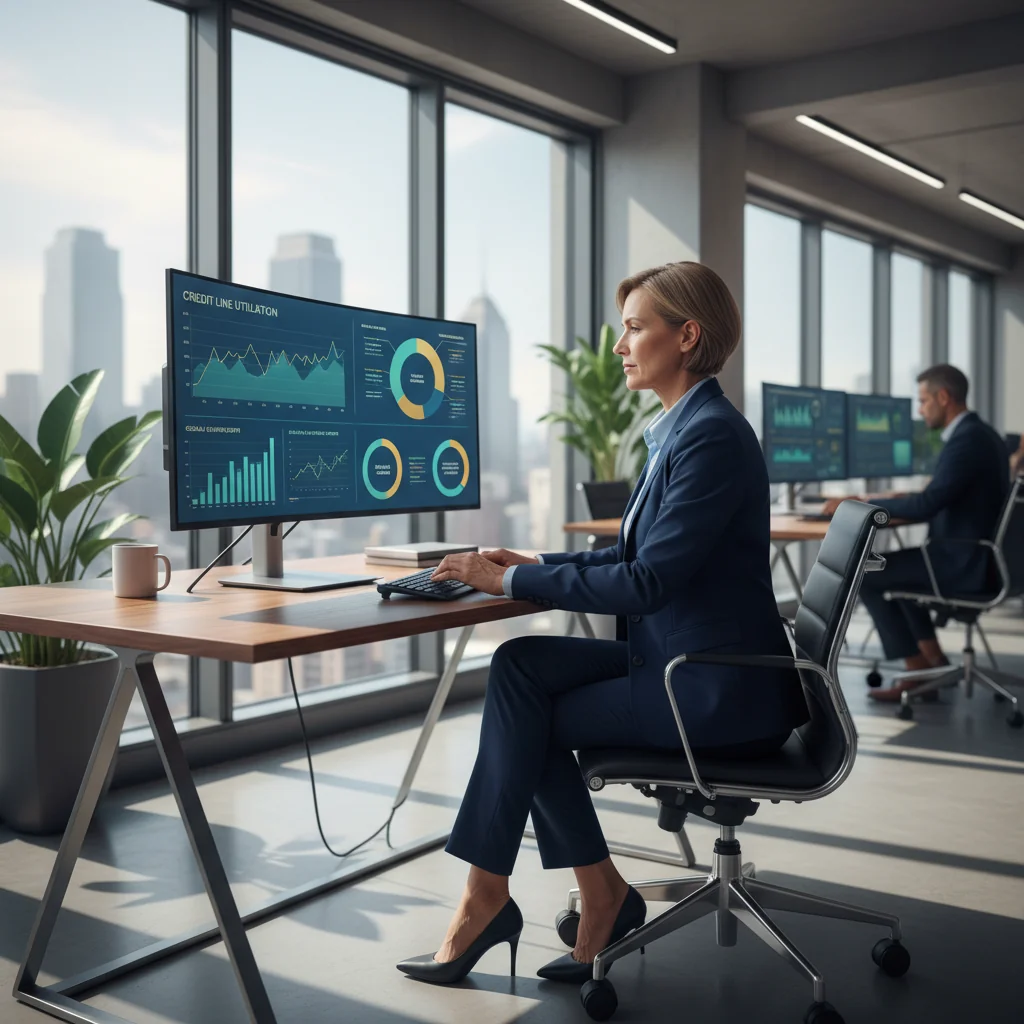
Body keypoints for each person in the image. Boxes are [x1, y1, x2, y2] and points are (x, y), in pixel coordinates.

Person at [396, 261, 810, 986]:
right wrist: (532, 560)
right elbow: (632, 552)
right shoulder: (686, 429)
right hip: (689, 662)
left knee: (534, 718)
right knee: (520, 669)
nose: (620, 346)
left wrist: (515, 581)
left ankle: (513, 899)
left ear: (687, 336)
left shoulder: (710, 437)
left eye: (634, 328)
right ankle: (561, 894)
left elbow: (648, 582)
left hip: (712, 690)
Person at [823, 364, 1009, 701]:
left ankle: (916, 670)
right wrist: (890, 499)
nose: (920, 410)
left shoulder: (967, 440)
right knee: (901, 575)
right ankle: (933, 663)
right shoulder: (983, 435)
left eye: (923, 401)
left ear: (943, 397)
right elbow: (942, 494)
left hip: (962, 563)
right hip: (978, 559)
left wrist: (862, 504)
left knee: (867, 575)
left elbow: (928, 506)